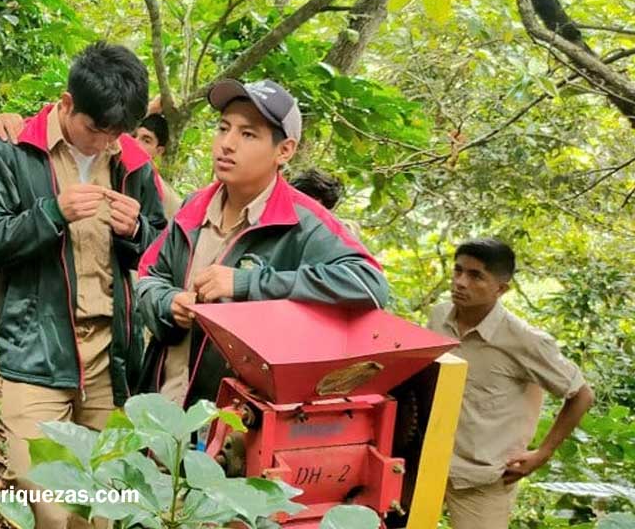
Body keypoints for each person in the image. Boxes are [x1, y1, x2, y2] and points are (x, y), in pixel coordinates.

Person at [0, 42, 167, 529]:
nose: (104, 142)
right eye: (95, 129)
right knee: (50, 510)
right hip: (36, 353)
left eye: (115, 132)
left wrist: (137, 232)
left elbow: (163, 252)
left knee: (103, 512)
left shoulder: (134, 163)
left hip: (110, 358)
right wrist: (51, 213)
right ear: (67, 102)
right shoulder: (15, 148)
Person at [135, 79, 389, 407]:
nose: (226, 144)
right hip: (161, 401)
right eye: (223, 128)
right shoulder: (193, 208)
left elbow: (370, 285)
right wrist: (168, 303)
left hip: (234, 422)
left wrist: (247, 283)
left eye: (248, 134)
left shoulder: (302, 222)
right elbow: (149, 278)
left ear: (284, 151)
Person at [428, 239, 594, 529]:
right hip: (427, 462)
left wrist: (542, 453)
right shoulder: (439, 317)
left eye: (476, 276)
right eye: (458, 271)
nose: (460, 282)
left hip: (483, 479)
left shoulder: (523, 340)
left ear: (501, 289)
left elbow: (581, 394)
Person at [132, 112, 181, 219]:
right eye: (134, 136)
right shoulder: (116, 166)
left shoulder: (159, 190)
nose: (135, 143)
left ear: (159, 151)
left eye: (146, 140)